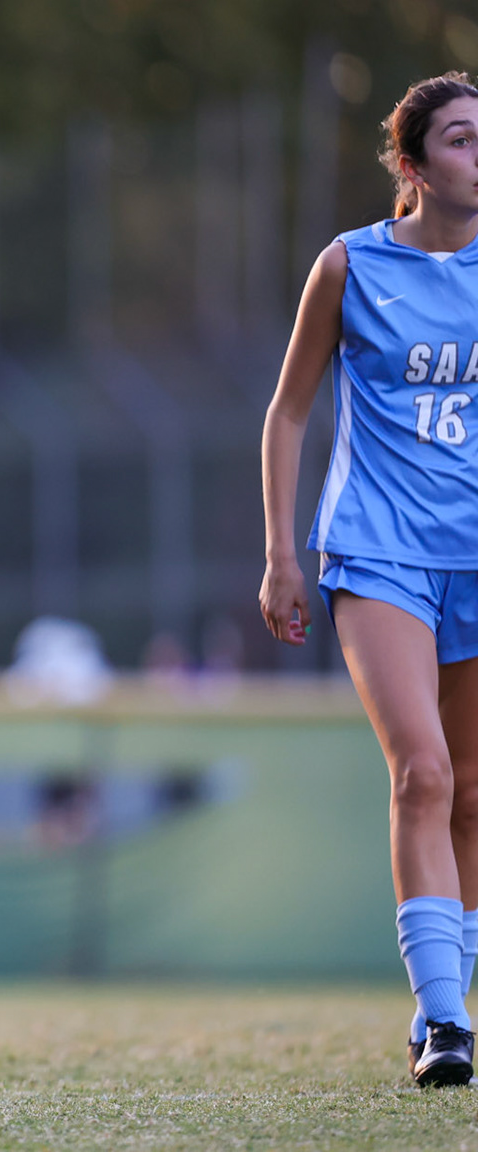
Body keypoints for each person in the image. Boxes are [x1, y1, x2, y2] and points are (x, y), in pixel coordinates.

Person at [261, 72, 478, 1087]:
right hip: (379, 549)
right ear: (411, 162)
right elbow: (290, 410)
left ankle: (447, 1003)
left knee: (473, 793)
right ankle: (446, 1024)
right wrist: (280, 552)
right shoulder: (352, 264)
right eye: (463, 137)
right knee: (422, 772)